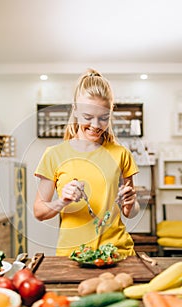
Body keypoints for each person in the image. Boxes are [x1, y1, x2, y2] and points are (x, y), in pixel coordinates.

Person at [34, 68, 140, 257]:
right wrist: (62, 202)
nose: (96, 125)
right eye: (88, 117)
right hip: (72, 256)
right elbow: (39, 212)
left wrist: (131, 202)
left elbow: (129, 212)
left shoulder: (121, 154)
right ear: (75, 111)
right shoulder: (54, 155)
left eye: (103, 118)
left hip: (118, 254)